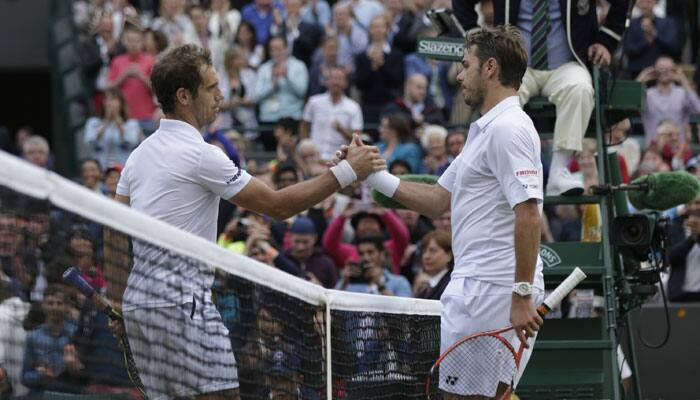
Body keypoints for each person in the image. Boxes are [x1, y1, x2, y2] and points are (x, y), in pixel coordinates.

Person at [110, 44, 383, 400]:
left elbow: (112, 226)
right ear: (183, 96)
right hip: (183, 304)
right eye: (211, 87)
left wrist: (116, 300)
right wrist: (348, 172)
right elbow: (278, 205)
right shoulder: (202, 154)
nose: (221, 95)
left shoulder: (137, 155)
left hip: (139, 307)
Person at [336, 26, 545, 399]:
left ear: (491, 68)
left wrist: (521, 294)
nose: (460, 75)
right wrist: (371, 174)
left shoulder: (509, 129)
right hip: (481, 286)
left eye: (466, 65)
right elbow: (436, 199)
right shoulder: (484, 130)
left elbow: (529, 214)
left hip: (493, 289)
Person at [452, 0, 629, 197]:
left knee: (580, 89)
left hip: (567, 63)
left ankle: (559, 173)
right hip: (516, 65)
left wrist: (606, 40)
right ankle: (503, 172)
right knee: (499, 96)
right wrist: (477, 38)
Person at [301, 67, 363, 161]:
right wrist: (306, 146)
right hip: (314, 158)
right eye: (333, 78)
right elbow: (304, 126)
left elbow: (357, 139)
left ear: (346, 83)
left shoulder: (354, 107)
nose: (336, 82)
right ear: (326, 82)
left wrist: (341, 129)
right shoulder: (314, 102)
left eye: (339, 79)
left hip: (339, 159)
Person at [335, 235, 412, 297]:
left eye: (370, 252)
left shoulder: (399, 282)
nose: (366, 258)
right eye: (361, 254)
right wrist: (344, 283)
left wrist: (380, 285)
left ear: (382, 254)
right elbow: (330, 306)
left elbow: (403, 311)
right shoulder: (349, 282)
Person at [83, 88, 142, 167]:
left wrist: (118, 121)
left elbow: (131, 141)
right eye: (107, 100)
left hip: (122, 167)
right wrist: (106, 121)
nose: (110, 103)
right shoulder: (93, 122)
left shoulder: (131, 124)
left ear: (121, 103)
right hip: (100, 167)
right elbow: (90, 140)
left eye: (114, 99)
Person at [668, 194, 700, 302]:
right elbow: (671, 257)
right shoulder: (674, 225)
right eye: (693, 203)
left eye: (698, 203)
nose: (696, 207)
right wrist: (692, 239)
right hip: (680, 294)